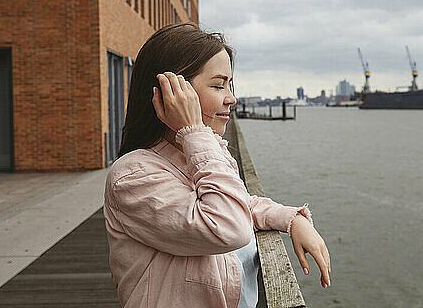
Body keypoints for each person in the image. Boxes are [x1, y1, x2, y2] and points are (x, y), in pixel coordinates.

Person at [103, 23, 331, 308]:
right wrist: (194, 130)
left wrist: (292, 220)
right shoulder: (133, 176)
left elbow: (241, 204)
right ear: (171, 92)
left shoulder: (202, 153)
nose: (231, 98)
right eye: (217, 85)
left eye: (229, 85)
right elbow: (229, 225)